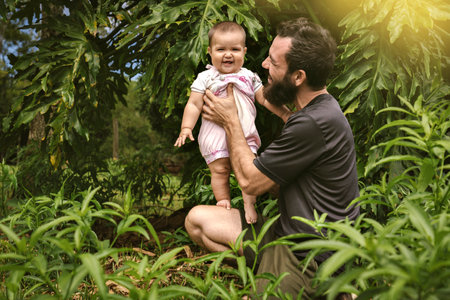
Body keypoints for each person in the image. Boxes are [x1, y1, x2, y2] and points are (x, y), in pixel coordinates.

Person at [184, 17, 360, 299]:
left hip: (310, 250)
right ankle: (269, 268)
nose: (264, 65)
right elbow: (275, 183)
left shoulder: (313, 123)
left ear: (298, 77)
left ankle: (327, 288)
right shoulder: (308, 113)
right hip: (284, 228)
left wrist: (231, 121)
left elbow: (250, 183)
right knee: (197, 221)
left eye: (274, 62)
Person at [174, 21, 291, 224]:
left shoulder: (248, 77)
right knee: (220, 172)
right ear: (210, 52)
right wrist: (186, 127)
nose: (228, 54)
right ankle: (223, 202)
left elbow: (264, 98)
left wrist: (285, 114)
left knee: (249, 169)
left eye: (235, 49)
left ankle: (249, 204)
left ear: (244, 52)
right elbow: (193, 104)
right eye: (221, 49)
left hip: (244, 135)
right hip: (215, 136)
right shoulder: (205, 78)